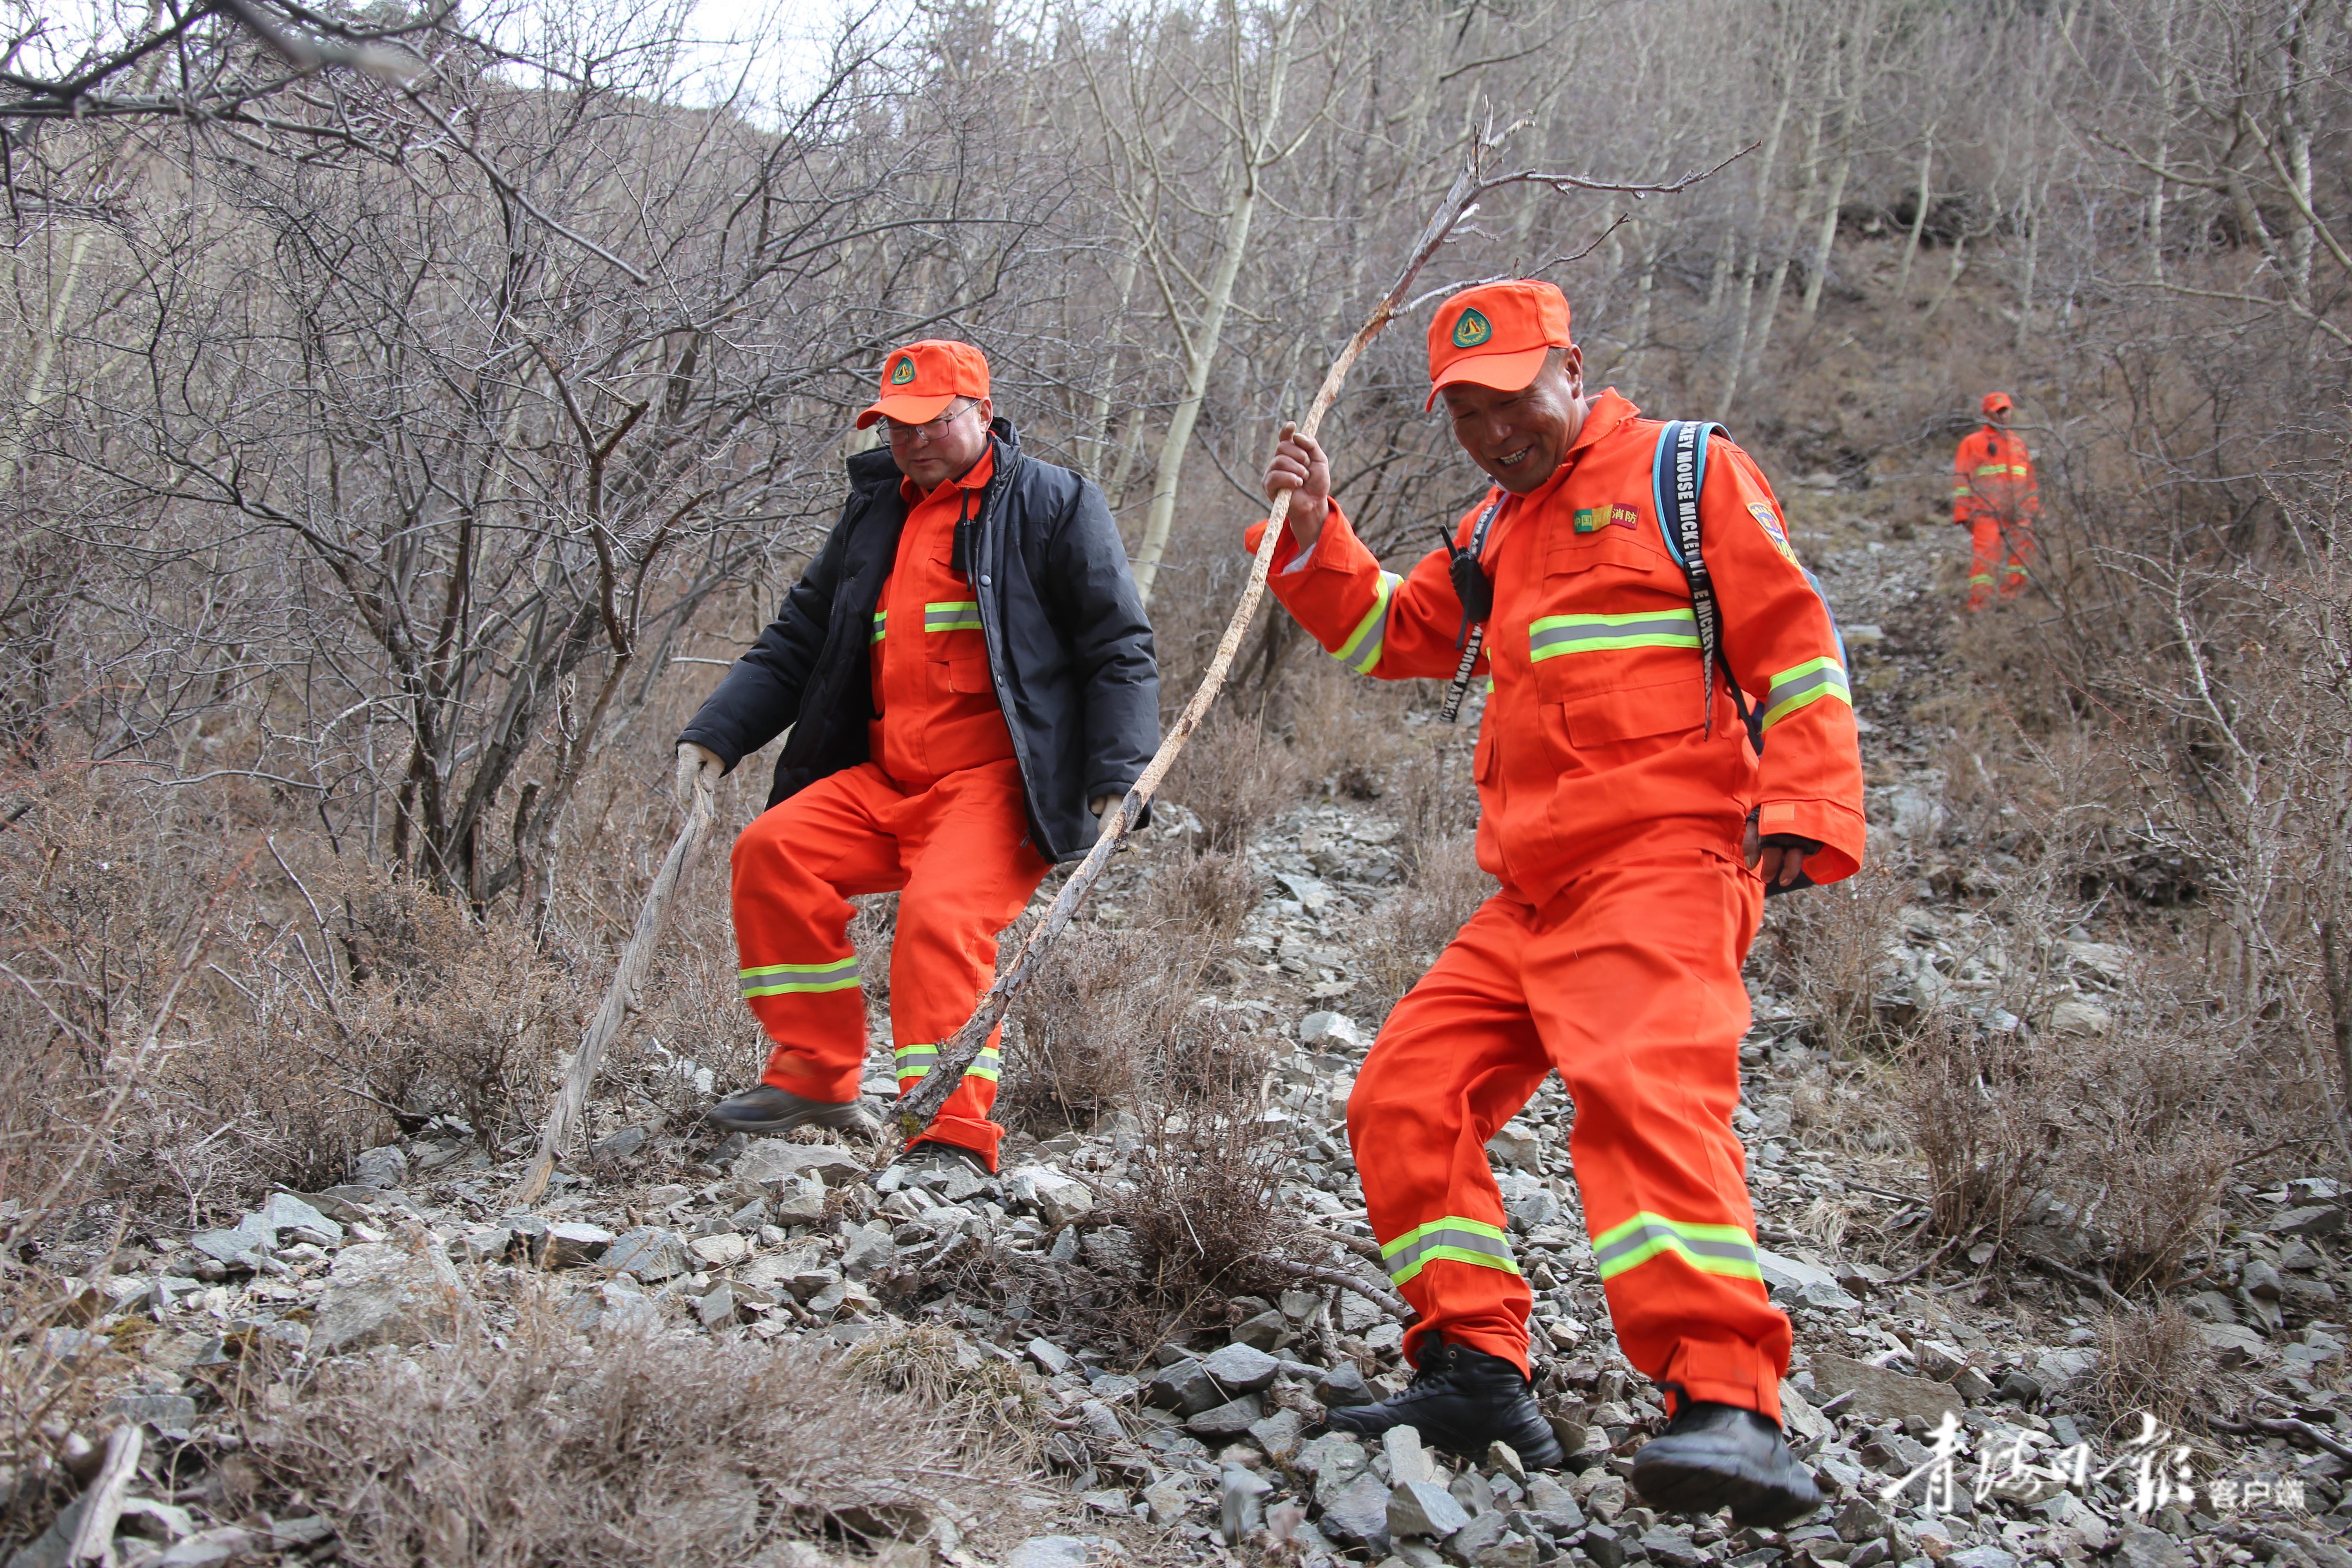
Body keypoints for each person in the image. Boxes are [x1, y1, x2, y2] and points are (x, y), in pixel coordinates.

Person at [1249, 281, 1864, 1524]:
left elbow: (1794, 638)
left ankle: (1731, 1409)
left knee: (1643, 1101)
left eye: (1513, 397)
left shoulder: (1688, 473)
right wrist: (1316, 535)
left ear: (1571, 370)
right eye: (1466, 411)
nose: (1493, 429)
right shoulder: (1489, 528)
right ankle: (1475, 1370)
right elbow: (1391, 635)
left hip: (1666, 866)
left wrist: (1809, 802)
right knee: (1404, 1097)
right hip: (1531, 890)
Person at [677, 340, 1158, 1174]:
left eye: (931, 422)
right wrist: (717, 733)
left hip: (999, 788)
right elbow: (796, 639)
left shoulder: (1054, 502)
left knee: (938, 921)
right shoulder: (875, 514)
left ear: (980, 410)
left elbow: (1118, 648)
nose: (911, 441)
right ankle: (815, 1073)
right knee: (772, 855)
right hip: (889, 779)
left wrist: (1120, 778)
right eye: (895, 427)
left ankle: (953, 1134)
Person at [1952, 392, 2038, 610]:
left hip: (2018, 513)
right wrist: (1963, 514)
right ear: (1987, 413)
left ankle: (2011, 602)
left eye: (2006, 410)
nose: (2004, 416)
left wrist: (2034, 510)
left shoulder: (2019, 445)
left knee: (2021, 555)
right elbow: (1962, 479)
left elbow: (2030, 482)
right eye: (1998, 411)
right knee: (1985, 560)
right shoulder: (1972, 443)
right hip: (1985, 514)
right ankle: (1980, 606)